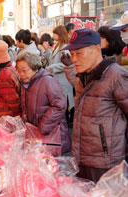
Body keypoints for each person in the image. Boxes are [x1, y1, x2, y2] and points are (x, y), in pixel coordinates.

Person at [62, 28, 128, 182]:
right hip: (80, 159)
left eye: (79, 53)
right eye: (72, 54)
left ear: (97, 49)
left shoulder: (116, 76)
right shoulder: (82, 78)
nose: (74, 59)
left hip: (105, 164)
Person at [16, 50, 70, 155]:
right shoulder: (24, 83)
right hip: (35, 134)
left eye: (24, 70)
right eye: (18, 70)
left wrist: (44, 126)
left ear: (35, 68)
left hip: (50, 135)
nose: (21, 74)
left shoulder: (47, 81)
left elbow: (59, 105)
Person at [47, 25, 74, 128]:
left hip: (64, 80)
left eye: (55, 33)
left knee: (64, 107)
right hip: (58, 80)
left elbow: (67, 64)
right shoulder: (58, 46)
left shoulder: (65, 47)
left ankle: (65, 129)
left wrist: (51, 67)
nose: (53, 35)